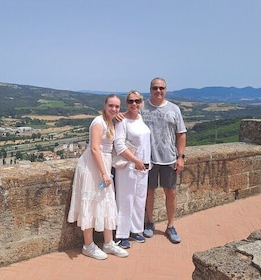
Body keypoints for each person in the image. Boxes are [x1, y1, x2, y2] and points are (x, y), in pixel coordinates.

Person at [67, 94, 129, 260]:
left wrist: (118, 117)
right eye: (111, 106)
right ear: (105, 105)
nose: (114, 109)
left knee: (106, 200)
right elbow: (94, 148)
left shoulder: (110, 121)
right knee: (91, 201)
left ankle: (108, 243)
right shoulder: (98, 122)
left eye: (117, 106)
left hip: (103, 163)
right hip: (92, 166)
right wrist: (104, 173)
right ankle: (88, 245)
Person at [141, 77, 187, 244]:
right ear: (150, 89)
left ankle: (171, 225)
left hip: (169, 159)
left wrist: (180, 157)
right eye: (155, 88)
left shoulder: (174, 109)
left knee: (171, 192)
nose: (158, 91)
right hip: (148, 159)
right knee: (149, 192)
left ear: (165, 90)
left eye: (161, 88)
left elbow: (181, 134)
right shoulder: (142, 108)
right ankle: (150, 222)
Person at [113, 90, 151, 249]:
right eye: (130, 101)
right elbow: (119, 145)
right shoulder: (122, 121)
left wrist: (143, 163)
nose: (134, 104)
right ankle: (122, 234)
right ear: (126, 103)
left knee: (139, 199)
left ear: (141, 102)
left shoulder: (140, 118)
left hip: (143, 167)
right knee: (125, 199)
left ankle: (135, 229)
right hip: (128, 167)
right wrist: (136, 160)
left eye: (137, 101)